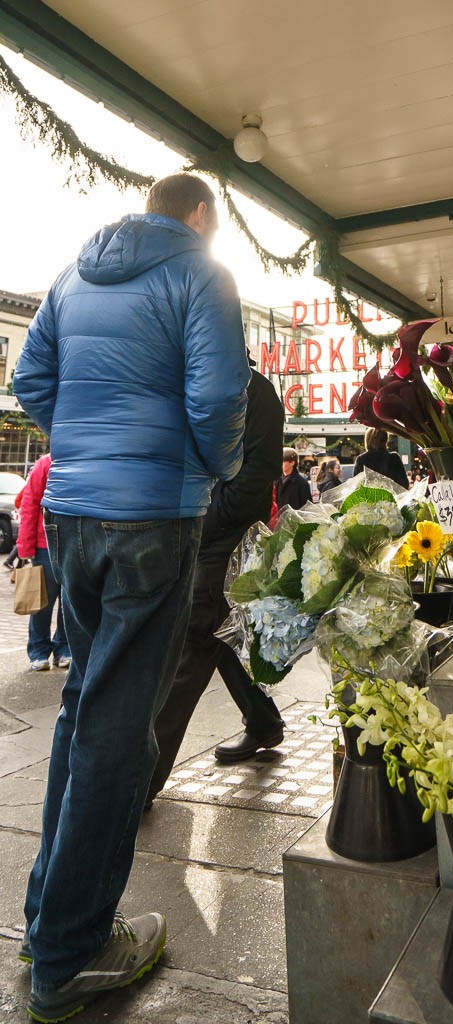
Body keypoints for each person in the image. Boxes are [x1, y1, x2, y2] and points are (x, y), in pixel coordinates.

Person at [13, 172, 250, 1023]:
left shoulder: (74, 276)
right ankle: (72, 953)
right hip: (156, 509)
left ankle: (47, 923)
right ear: (199, 215)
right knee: (118, 725)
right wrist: (202, 466)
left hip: (74, 510)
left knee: (85, 708)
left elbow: (28, 378)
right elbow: (223, 396)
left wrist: (83, 442)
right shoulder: (201, 273)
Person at [147, 368, 285, 804]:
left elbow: (254, 479)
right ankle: (263, 722)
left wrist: (202, 520)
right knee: (223, 636)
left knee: (194, 644)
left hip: (221, 541)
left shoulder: (253, 391)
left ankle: (139, 784)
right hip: (206, 534)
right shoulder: (204, 379)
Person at [16, 453, 70, 671]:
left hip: (72, 546)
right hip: (44, 547)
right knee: (41, 604)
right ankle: (38, 651)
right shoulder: (45, 464)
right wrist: (25, 548)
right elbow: (28, 504)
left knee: (70, 605)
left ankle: (63, 649)